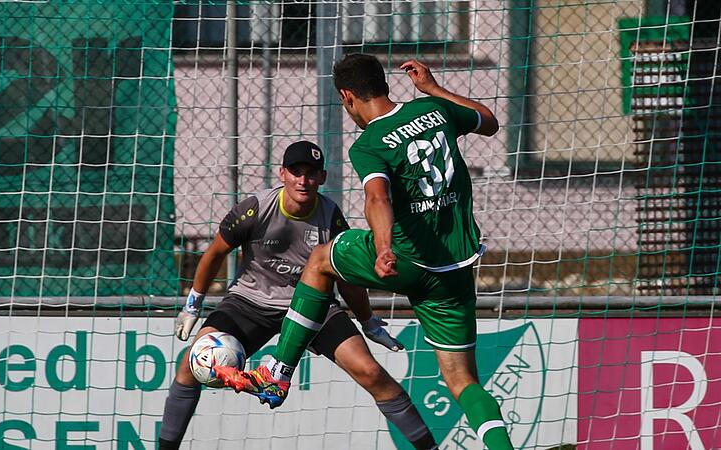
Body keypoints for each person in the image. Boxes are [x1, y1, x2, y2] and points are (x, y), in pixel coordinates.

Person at [215, 55, 514, 450]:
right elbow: (489, 122)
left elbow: (377, 198)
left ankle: (279, 371)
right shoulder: (436, 108)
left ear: (347, 96)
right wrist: (434, 89)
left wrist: (384, 248)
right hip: (455, 267)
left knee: (320, 260)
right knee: (463, 382)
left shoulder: (369, 144)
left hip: (406, 259)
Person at [159, 141, 439, 450]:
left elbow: (347, 277)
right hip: (250, 302)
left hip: (312, 305)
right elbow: (214, 254)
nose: (302, 181)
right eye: (296, 173)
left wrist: (368, 321)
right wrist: (193, 304)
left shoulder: (331, 217)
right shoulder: (254, 209)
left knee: (371, 372)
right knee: (189, 365)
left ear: (322, 177)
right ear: (282, 174)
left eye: (310, 174)